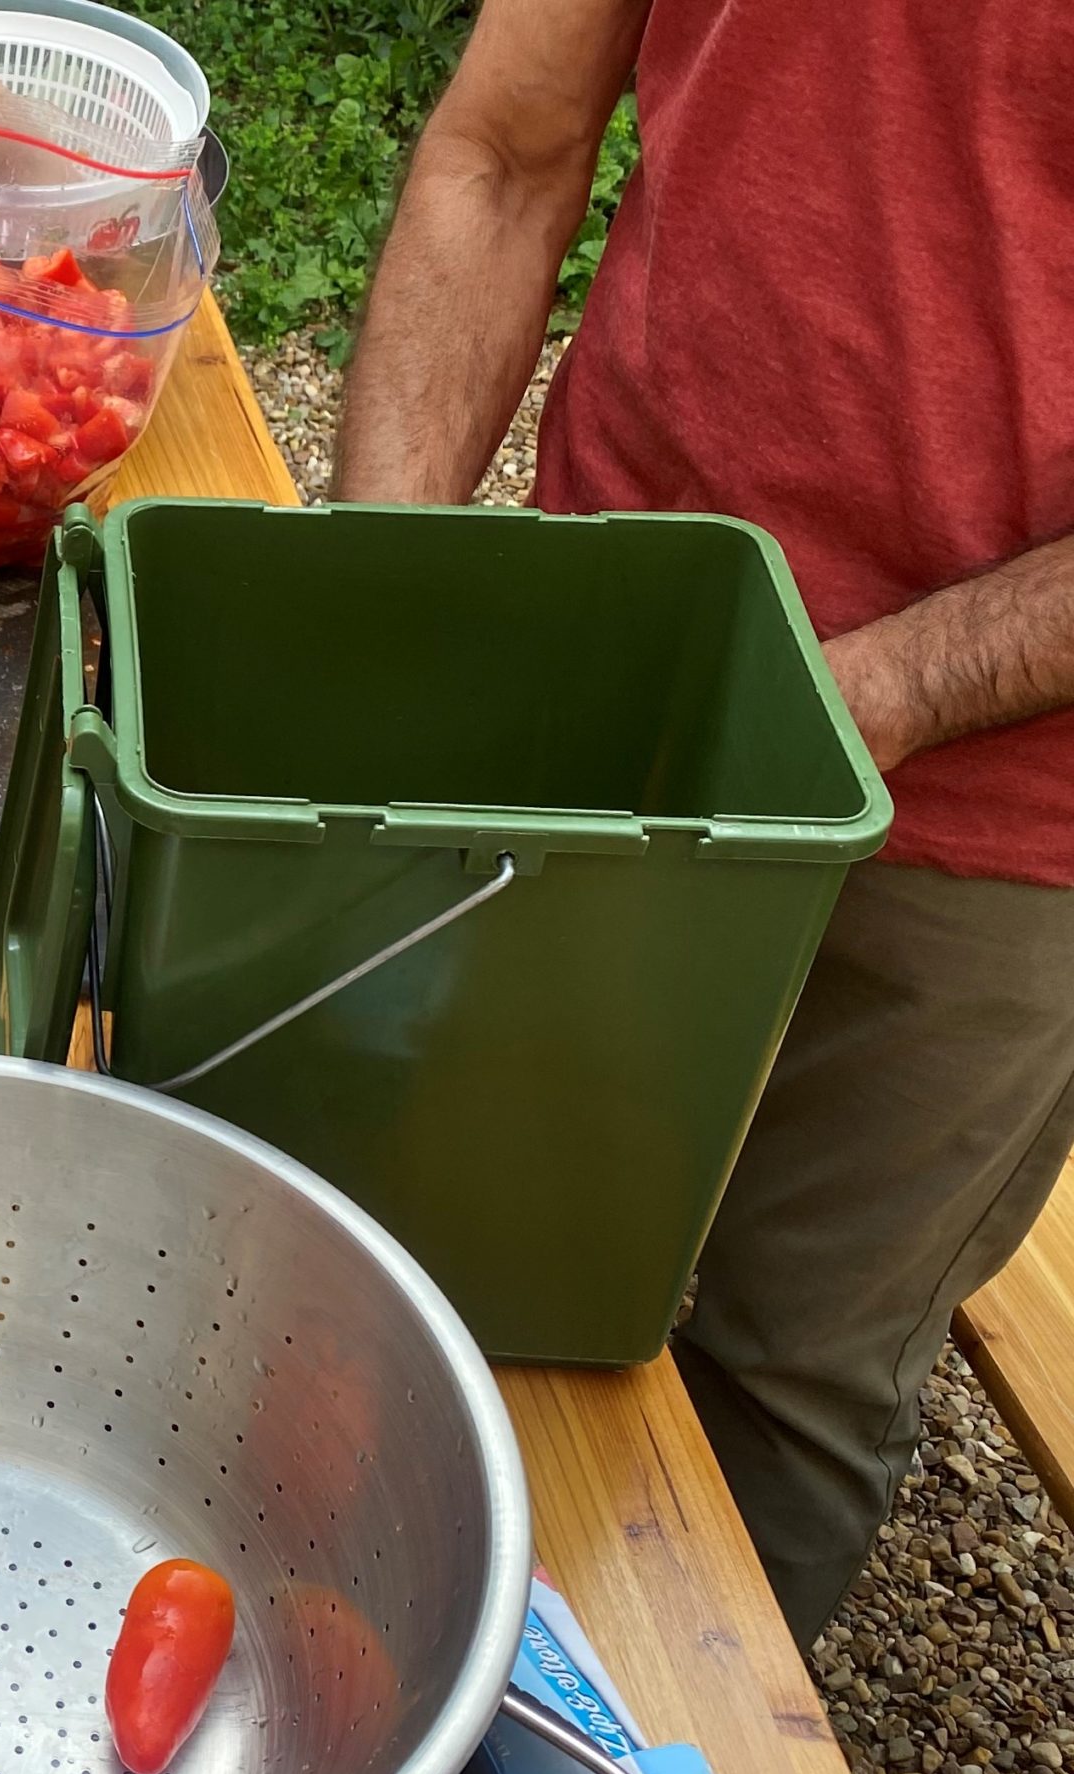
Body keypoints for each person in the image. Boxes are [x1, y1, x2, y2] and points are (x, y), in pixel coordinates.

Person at [333, 0, 1074, 1640]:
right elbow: (505, 150)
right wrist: (381, 586)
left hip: (1004, 819)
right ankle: (387, 1653)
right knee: (475, 1194)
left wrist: (865, 691)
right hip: (622, 623)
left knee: (785, 1363)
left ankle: (654, 1761)